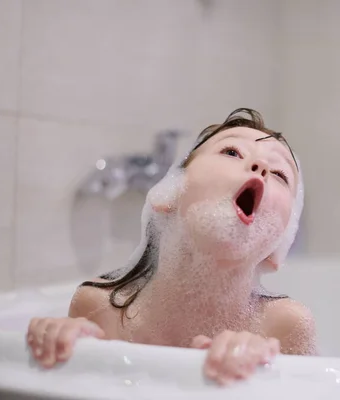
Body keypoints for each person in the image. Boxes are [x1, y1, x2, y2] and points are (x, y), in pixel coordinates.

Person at [26, 108, 316, 386]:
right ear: (167, 196)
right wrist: (62, 351)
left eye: (280, 174)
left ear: (278, 248)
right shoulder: (97, 308)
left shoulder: (283, 329)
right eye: (231, 152)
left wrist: (264, 380)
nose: (261, 167)